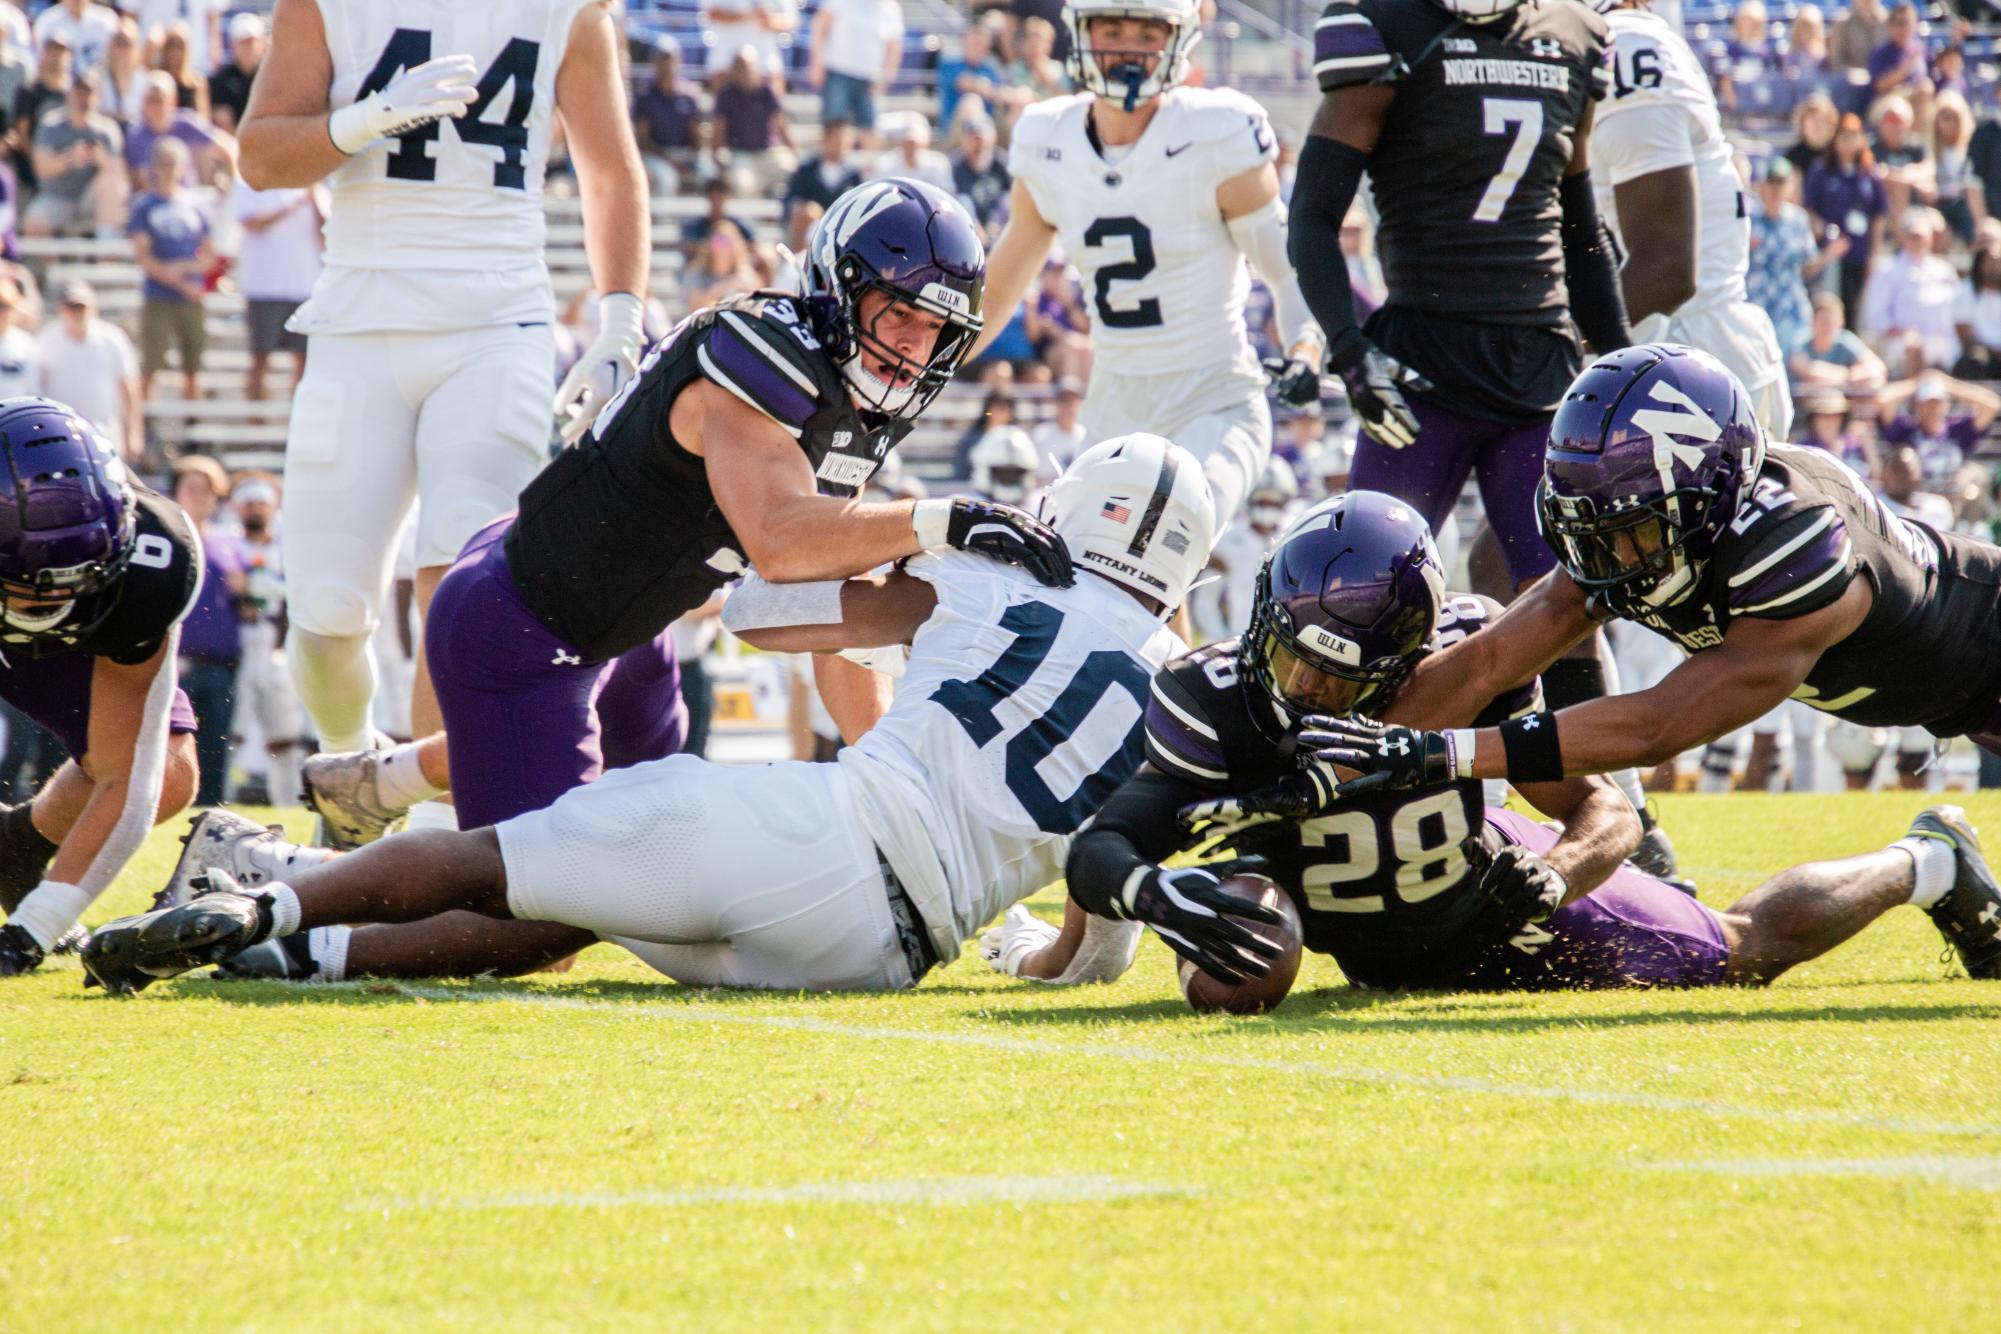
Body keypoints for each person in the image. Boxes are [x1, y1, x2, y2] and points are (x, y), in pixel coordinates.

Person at [88, 436, 1215, 993]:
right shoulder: (1179, 689)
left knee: (505, 856)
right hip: (879, 957)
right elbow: (1097, 946)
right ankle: (306, 955)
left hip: (818, 832)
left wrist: (917, 549)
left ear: (1069, 507)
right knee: (574, 912)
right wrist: (1032, 950)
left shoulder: (999, 571)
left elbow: (766, 614)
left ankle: (260, 898)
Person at [1054, 493, 2001, 989]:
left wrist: (1560, 874)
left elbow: (1604, 809)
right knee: (1239, 968)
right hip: (1340, 926)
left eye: (1345, 678)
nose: (1311, 691)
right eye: (1298, 662)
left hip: (1490, 904)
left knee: (1742, 953)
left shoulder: (1467, 664)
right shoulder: (1209, 692)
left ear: (1411, 658)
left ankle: (1925, 861)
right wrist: (1156, 892)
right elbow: (1105, 841)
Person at [238, 0, 652, 835]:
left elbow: (610, 172)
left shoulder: (568, 12)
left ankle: (436, 830)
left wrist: (620, 321)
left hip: (498, 322)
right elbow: (258, 156)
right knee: (325, 613)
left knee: (459, 571)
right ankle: (353, 774)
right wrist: (362, 120)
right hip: (358, 318)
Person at [1312, 345, 2001, 826]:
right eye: (1586, 520)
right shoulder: (1637, 528)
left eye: (1629, 527)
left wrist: (1436, 754)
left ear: (1710, 497)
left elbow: (1657, 725)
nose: (1602, 551)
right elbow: (1490, 660)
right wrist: (1332, 766)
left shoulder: (1793, 544)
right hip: (1944, 691)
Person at [971, 0, 1322, 532]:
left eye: (1148, 31)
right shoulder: (1048, 139)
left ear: (1177, 38)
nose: (1129, 46)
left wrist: (1304, 347)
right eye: (1113, 28)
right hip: (1114, 413)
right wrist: (919, 376)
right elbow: (996, 294)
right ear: (1083, 33)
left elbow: (1289, 272)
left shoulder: (1215, 131)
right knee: (1093, 585)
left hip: (1215, 404)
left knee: (1156, 539)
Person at [0, 401, 203, 976]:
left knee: (167, 774)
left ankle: (16, 842)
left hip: (90, 636)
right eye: (33, 588)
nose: (51, 605)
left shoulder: (153, 562)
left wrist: (31, 931)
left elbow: (129, 782)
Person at [1594, 0, 1790, 440]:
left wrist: (1547, 347)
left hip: (1681, 372)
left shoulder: (1623, 45)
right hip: (1670, 360)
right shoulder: (1621, 43)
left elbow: (1666, 271)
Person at [169, 454, 242, 806]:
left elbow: (244, 601)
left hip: (218, 664)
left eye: (208, 490)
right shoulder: (169, 538)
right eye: (192, 488)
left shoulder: (229, 544)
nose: (200, 496)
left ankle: (211, 810)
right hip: (175, 663)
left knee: (215, 743)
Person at [227, 473, 304, 807]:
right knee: (233, 732)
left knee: (286, 736)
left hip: (275, 645)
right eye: (250, 503)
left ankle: (289, 803)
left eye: (262, 503)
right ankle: (220, 800)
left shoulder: (288, 549)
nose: (256, 510)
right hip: (238, 647)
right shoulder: (227, 543)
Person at [127, 135, 210, 403]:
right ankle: (146, 424)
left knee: (193, 366)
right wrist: (179, 282)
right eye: (163, 163)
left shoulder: (195, 204)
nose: (169, 170)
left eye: (173, 163)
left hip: (190, 295)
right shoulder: (144, 205)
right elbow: (144, 256)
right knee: (151, 365)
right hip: (159, 295)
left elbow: (209, 255)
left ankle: (192, 428)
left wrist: (184, 268)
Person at [227, 171, 320, 403]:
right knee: (260, 357)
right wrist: (292, 204)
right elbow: (251, 222)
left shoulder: (314, 185)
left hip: (303, 287)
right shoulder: (249, 181)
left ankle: (298, 422)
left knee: (304, 360)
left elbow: (327, 230)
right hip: (263, 287)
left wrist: (315, 197)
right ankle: (255, 427)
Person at [36, 279, 139, 462]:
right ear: (62, 309)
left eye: (82, 307)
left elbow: (128, 386)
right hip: (58, 432)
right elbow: (37, 385)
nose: (77, 313)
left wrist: (134, 433)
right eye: (72, 307)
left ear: (93, 308)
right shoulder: (47, 339)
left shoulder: (112, 339)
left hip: (104, 430)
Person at [1804, 114, 1887, 328]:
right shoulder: (1821, 171)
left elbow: (1878, 216)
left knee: (1854, 311)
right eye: (1843, 136)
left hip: (1858, 253)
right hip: (1828, 253)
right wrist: (1821, 229)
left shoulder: (1869, 174)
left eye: (1853, 137)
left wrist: (1874, 254)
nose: (1848, 143)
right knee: (1827, 306)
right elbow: (1809, 209)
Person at [1860, 209, 1965, 377]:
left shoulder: (1944, 270)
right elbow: (1875, 316)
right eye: (1913, 235)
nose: (1918, 241)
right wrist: (1902, 332)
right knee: (1914, 346)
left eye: (1922, 236)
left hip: (1945, 341)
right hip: (1901, 341)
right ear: (1903, 237)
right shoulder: (1888, 270)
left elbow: (1959, 307)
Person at [25, 71, 125, 238]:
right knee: (34, 222)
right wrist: (70, 158)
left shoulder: (107, 130)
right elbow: (41, 169)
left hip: (91, 200)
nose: (83, 97)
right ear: (69, 94)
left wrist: (103, 162)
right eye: (79, 91)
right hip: (57, 197)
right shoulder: (51, 125)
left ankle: (106, 259)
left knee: (110, 184)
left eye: (88, 92)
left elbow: (120, 176)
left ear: (98, 96)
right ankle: (54, 265)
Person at [1747, 159, 1827, 362]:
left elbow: (1808, 265)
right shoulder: (1748, 220)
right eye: (1771, 182)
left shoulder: (1798, 220)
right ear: (1762, 186)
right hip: (1755, 304)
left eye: (1781, 183)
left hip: (1789, 305)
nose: (1776, 189)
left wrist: (1829, 255)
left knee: (1790, 363)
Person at [1877, 373, 2001, 491]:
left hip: (1954, 495)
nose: (1932, 409)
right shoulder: (1905, 430)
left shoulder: (1958, 430)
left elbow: (1992, 405)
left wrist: (1950, 384)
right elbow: (1883, 400)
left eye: (1937, 403)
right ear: (1917, 406)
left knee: (1976, 477)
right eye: (1926, 404)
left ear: (1946, 405)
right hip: (1916, 496)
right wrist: (1917, 382)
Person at [808, 0, 901, 136]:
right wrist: (816, 62)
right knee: (833, 124)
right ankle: (832, 158)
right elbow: (820, 26)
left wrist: (886, 77)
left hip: (871, 76)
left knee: (870, 127)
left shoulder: (890, 8)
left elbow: (894, 46)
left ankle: (869, 158)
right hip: (837, 71)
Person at [123, 71, 227, 191]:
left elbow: (225, 145)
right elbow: (140, 182)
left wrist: (230, 183)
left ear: (172, 101)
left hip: (190, 198)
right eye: (150, 100)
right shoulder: (135, 136)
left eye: (159, 100)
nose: (155, 106)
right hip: (153, 202)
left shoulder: (186, 123)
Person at [630, 36, 703, 197]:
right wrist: (668, 160)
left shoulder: (689, 94)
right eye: (661, 59)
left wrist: (690, 159)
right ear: (653, 63)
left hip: (684, 154)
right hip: (655, 156)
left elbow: (696, 136)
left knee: (708, 174)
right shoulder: (645, 97)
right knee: (666, 178)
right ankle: (665, 222)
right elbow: (643, 139)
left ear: (679, 61)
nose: (666, 65)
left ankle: (702, 222)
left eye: (670, 59)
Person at [1789, 290, 1887, 393]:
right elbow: (1807, 370)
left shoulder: (1845, 340)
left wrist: (1846, 376)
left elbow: (1877, 368)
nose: (1827, 326)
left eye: (1832, 321)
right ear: (1813, 321)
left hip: (1842, 393)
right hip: (1808, 399)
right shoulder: (1802, 340)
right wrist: (1849, 375)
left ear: (1841, 322)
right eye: (1823, 321)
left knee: (1874, 384)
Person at [780, 115, 860, 231]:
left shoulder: (853, 175)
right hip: (811, 230)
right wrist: (812, 211)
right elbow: (792, 202)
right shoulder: (806, 170)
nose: (841, 144)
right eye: (836, 138)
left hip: (841, 231)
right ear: (825, 139)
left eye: (844, 139)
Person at [866, 111, 952, 195]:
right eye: (907, 142)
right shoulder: (883, 165)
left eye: (914, 143)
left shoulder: (938, 163)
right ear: (899, 142)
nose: (911, 147)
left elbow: (946, 194)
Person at [207, 11, 265, 134]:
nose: (250, 47)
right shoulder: (221, 79)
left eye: (253, 41)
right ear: (233, 44)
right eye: (244, 42)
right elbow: (222, 119)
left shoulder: (270, 76)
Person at [950, 113, 1009, 229]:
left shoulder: (1003, 162)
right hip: (967, 226)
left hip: (999, 225)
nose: (978, 143)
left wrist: (995, 222)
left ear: (993, 138)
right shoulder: (954, 165)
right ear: (964, 140)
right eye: (973, 138)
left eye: (981, 139)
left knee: (1007, 201)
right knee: (963, 201)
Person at [32, 0, 118, 74]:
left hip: (100, 85)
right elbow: (39, 62)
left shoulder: (107, 20)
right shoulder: (47, 21)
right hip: (62, 87)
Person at [1029, 376, 1086, 479]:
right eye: (1064, 400)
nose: (1068, 406)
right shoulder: (1040, 435)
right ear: (1055, 403)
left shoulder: (1086, 436)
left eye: (1072, 400)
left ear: (1080, 403)